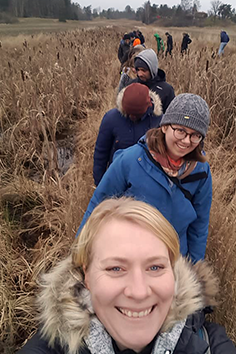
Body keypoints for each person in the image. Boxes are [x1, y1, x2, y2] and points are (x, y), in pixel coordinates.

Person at [18, 197, 236, 354]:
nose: (139, 291)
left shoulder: (208, 344)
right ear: (86, 276)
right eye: (116, 268)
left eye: (155, 267)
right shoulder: (50, 346)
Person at [77, 93, 212, 263]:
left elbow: (200, 224)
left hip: (174, 259)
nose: (186, 141)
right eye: (180, 131)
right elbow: (98, 206)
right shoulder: (131, 160)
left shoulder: (201, 170)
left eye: (195, 135)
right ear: (164, 127)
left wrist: (195, 268)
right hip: (131, 257)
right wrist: (80, 255)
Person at [93, 83, 163, 186]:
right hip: (117, 178)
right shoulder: (111, 119)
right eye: (129, 113)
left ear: (149, 106)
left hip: (147, 181)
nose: (132, 117)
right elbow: (101, 154)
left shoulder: (159, 121)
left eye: (137, 115)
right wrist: (100, 184)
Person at [127, 48, 175, 112]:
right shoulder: (132, 86)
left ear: (152, 70)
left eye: (144, 70)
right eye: (138, 70)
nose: (140, 74)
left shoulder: (166, 90)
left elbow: (170, 116)